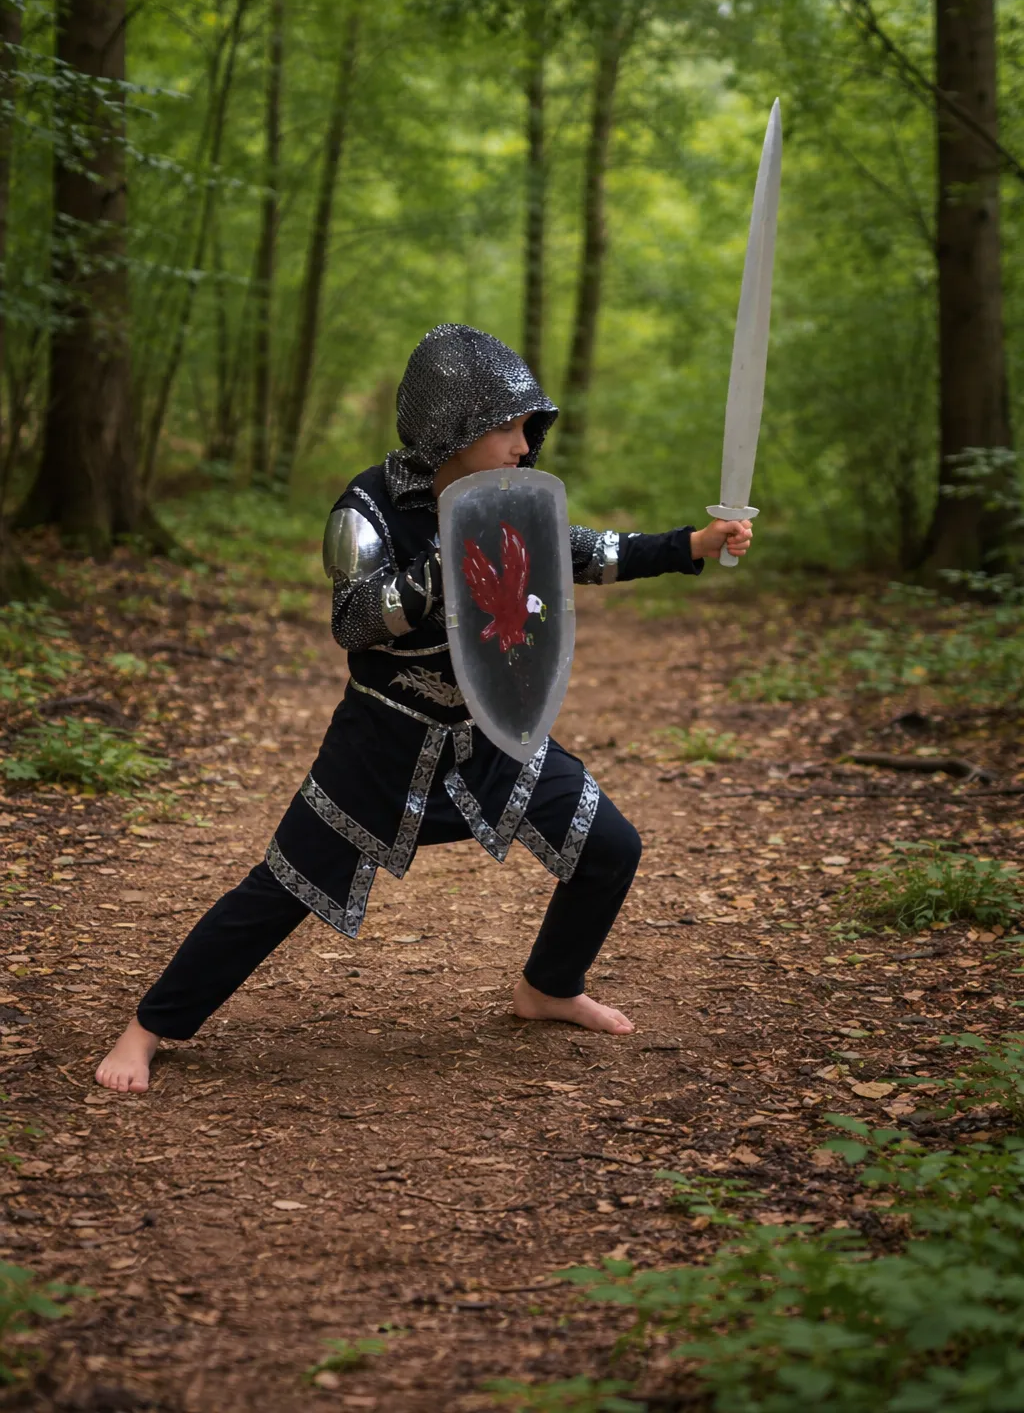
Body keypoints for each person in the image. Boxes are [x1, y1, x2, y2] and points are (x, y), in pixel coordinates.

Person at [96, 324, 752, 1092]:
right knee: (280, 888)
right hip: (381, 743)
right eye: (508, 427)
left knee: (609, 846)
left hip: (491, 732)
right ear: (454, 429)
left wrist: (693, 544)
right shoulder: (366, 508)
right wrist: (440, 568)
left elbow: (587, 553)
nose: (523, 444)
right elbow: (353, 619)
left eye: (525, 428)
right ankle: (147, 1030)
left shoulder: (509, 499)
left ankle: (550, 986)